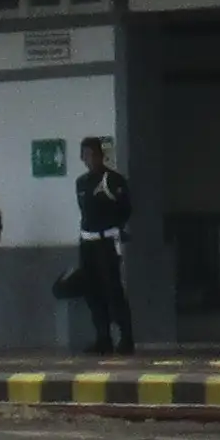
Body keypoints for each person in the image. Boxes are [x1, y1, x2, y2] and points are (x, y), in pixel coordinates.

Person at [68, 138, 136, 356]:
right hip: (87, 241)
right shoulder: (81, 182)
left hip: (107, 242)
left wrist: (115, 226)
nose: (87, 159)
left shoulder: (113, 180)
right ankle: (103, 338)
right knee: (92, 291)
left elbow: (125, 209)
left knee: (113, 290)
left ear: (100, 155)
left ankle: (126, 338)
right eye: (84, 155)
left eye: (90, 154)